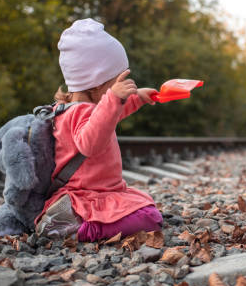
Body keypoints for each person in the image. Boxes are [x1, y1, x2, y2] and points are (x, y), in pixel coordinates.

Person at [34, 18, 163, 241]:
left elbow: (108, 118)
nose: (118, 89)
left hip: (96, 192)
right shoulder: (81, 112)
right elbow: (90, 143)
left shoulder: (70, 109)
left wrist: (137, 98)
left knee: (145, 204)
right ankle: (79, 229)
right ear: (96, 83)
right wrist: (114, 98)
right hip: (87, 195)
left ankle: (70, 220)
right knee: (149, 216)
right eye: (115, 82)